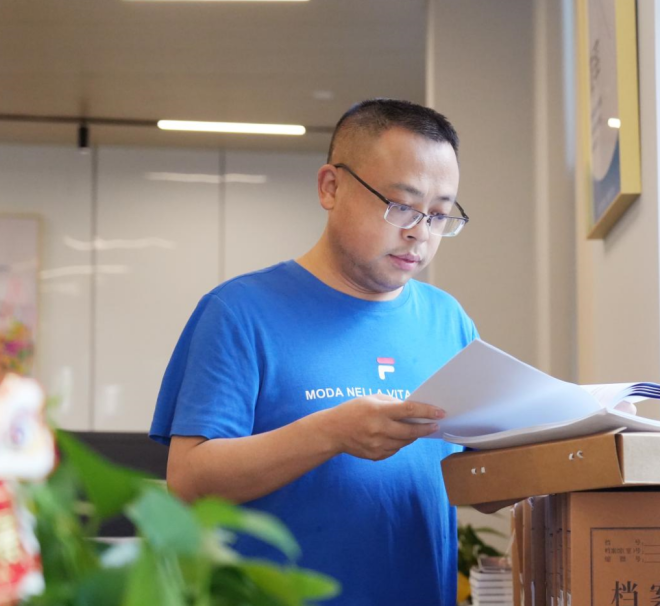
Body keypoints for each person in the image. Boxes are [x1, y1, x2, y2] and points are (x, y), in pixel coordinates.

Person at [149, 98, 477, 606]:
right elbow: (188, 482)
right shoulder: (239, 312)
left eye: (439, 215)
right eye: (401, 206)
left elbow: (482, 480)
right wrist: (330, 432)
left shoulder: (448, 321)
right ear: (331, 187)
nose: (420, 232)